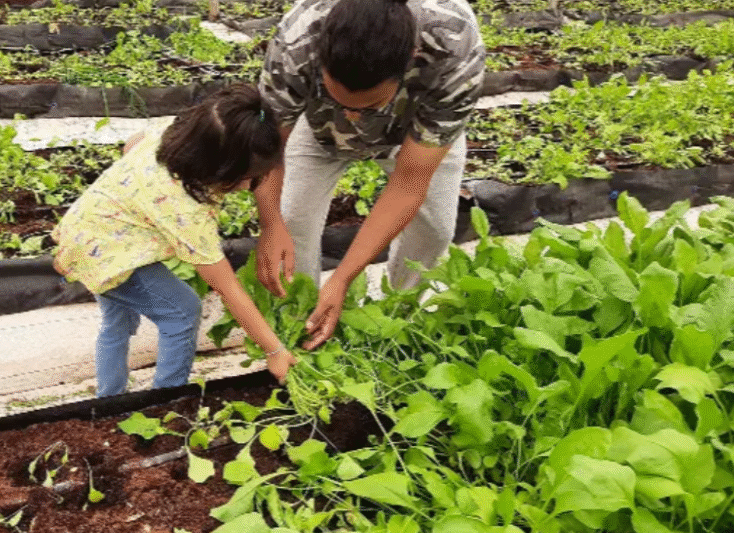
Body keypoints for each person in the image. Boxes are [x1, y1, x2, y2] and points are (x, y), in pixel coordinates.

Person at [254, 0, 485, 349]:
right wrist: (271, 225)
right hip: (319, 129)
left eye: (368, 106)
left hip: (416, 128)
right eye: (341, 100)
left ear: (411, 57)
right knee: (291, 218)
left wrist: (343, 279)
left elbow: (409, 184)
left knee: (435, 229)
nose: (355, 118)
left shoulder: (456, 47)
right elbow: (268, 151)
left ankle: (397, 316)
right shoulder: (297, 40)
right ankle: (300, 323)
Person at [51, 83, 296, 398]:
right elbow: (226, 287)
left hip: (86, 231)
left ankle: (108, 401)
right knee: (182, 311)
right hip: (109, 252)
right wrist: (274, 349)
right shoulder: (185, 208)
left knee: (117, 322)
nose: (250, 185)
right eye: (244, 177)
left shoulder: (173, 135)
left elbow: (132, 144)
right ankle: (165, 403)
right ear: (214, 168)